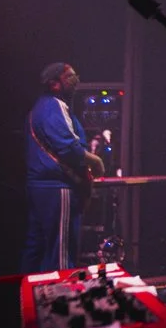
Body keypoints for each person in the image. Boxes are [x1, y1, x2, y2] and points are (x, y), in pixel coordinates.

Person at [23, 62, 105, 272]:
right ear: (54, 84)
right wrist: (96, 162)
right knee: (61, 251)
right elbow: (68, 147)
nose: (75, 80)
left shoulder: (38, 108)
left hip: (40, 187)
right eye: (70, 77)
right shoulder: (53, 105)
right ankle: (59, 301)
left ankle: (26, 299)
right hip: (57, 188)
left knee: (38, 246)